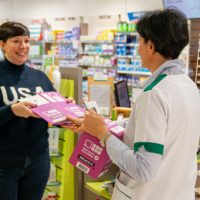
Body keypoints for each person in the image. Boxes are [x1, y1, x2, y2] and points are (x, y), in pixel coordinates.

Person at [62, 9, 200, 200]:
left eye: (139, 41)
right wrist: (94, 126)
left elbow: (143, 170)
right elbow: (152, 131)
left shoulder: (154, 94)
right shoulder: (189, 86)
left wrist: (103, 135)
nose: (138, 49)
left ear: (150, 46)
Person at [0, 21, 74, 200]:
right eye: (16, 41)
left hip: (38, 162)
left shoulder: (39, 77)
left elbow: (55, 112)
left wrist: (68, 107)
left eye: (26, 41)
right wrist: (13, 110)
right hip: (4, 163)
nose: (23, 46)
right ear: (2, 44)